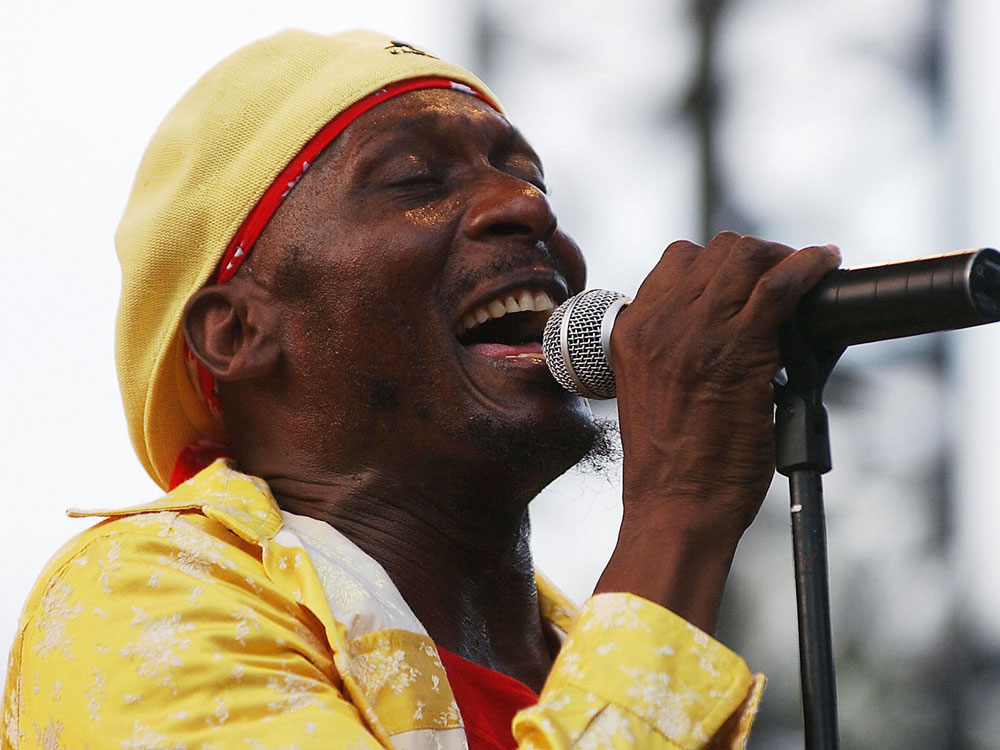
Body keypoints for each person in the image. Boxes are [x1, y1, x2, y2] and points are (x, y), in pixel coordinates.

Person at [2, 29, 840, 750]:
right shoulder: (140, 600)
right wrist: (678, 512)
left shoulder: (611, 646)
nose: (525, 206)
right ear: (239, 332)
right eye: (415, 181)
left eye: (531, 179)